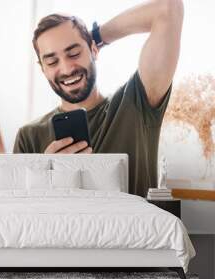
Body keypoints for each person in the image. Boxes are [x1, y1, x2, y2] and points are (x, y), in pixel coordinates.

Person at [13, 0, 184, 197]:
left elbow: (168, 8)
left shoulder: (135, 104)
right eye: (52, 61)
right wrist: (44, 178)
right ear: (43, 69)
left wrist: (97, 36)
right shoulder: (28, 137)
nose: (67, 69)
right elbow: (20, 218)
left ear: (94, 50)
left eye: (74, 53)